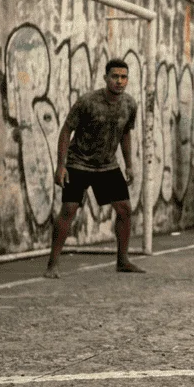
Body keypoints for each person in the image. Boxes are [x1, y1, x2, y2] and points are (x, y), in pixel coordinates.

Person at [45, 59, 143, 277]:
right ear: (105, 78)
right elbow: (66, 131)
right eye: (115, 76)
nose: (119, 81)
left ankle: (122, 260)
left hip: (107, 165)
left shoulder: (129, 105)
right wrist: (61, 166)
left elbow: (126, 134)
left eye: (123, 77)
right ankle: (52, 264)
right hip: (79, 161)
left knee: (125, 210)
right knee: (69, 209)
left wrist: (129, 165)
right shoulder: (87, 102)